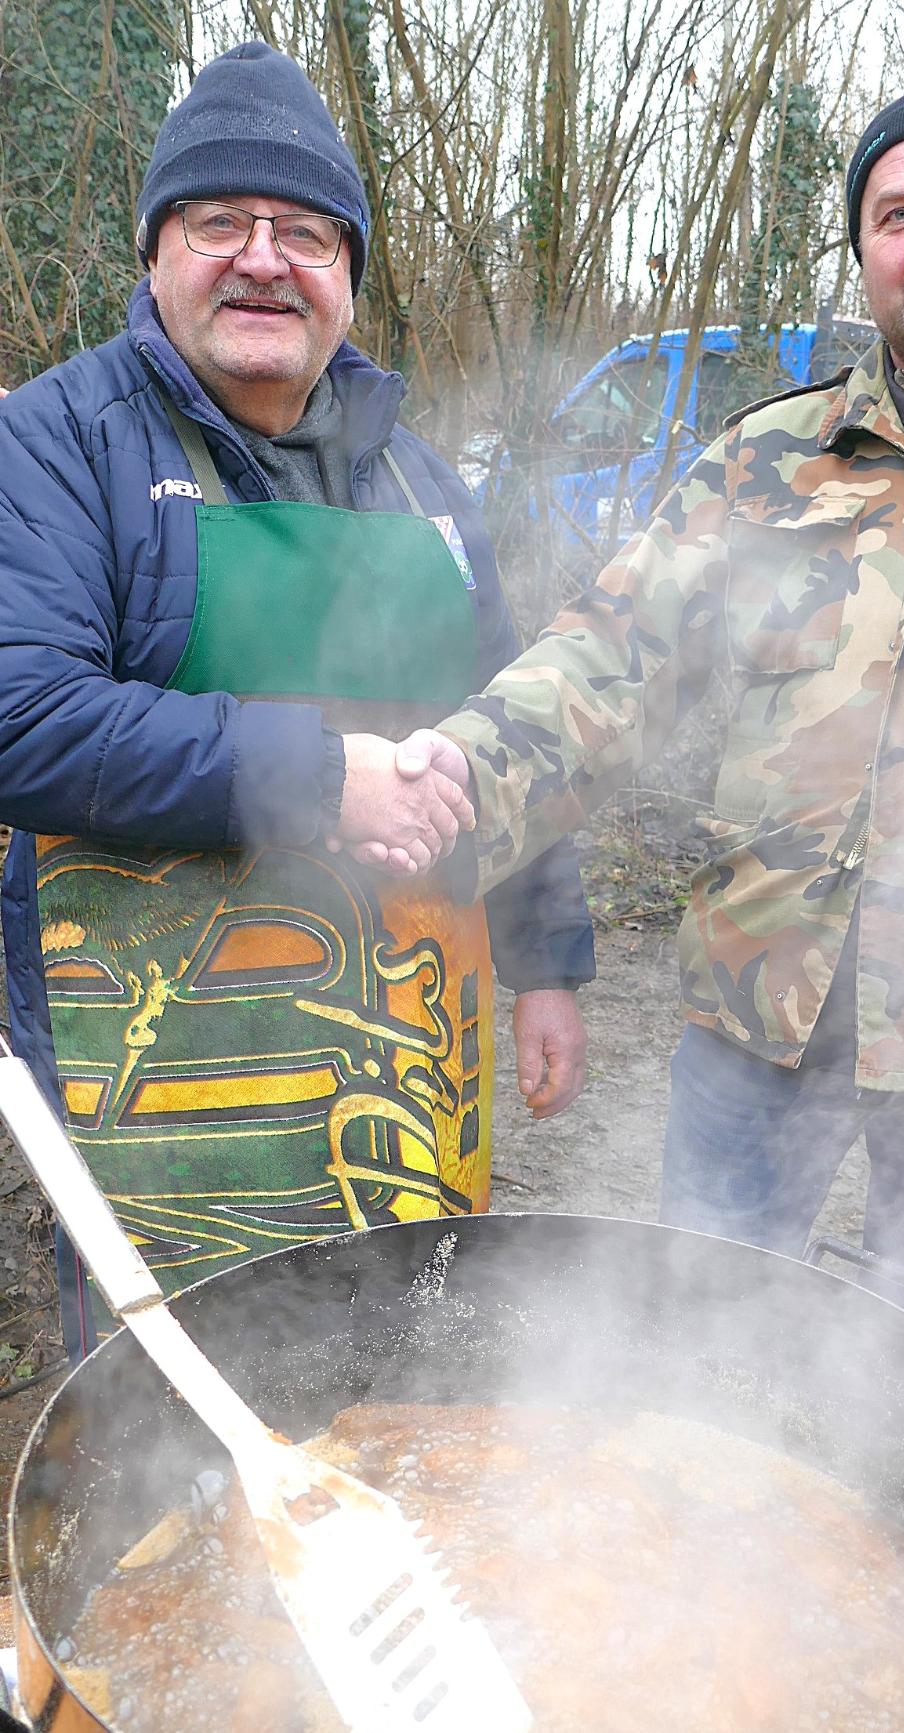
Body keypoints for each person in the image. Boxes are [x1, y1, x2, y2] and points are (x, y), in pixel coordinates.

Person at [367, 41, 904, 1318]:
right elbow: (610, 664)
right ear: (864, 250)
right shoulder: (768, 460)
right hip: (757, 1016)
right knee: (694, 1345)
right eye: (895, 213)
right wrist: (457, 773)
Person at [0, 42, 593, 1358]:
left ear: (348, 275)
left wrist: (548, 964)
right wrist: (321, 779)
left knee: (403, 1372)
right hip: (156, 1072)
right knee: (168, 1400)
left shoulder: (425, 483)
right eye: (220, 222)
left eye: (306, 233)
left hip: (404, 1056)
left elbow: (510, 722)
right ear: (156, 252)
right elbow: (21, 717)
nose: (263, 259)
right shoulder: (53, 441)